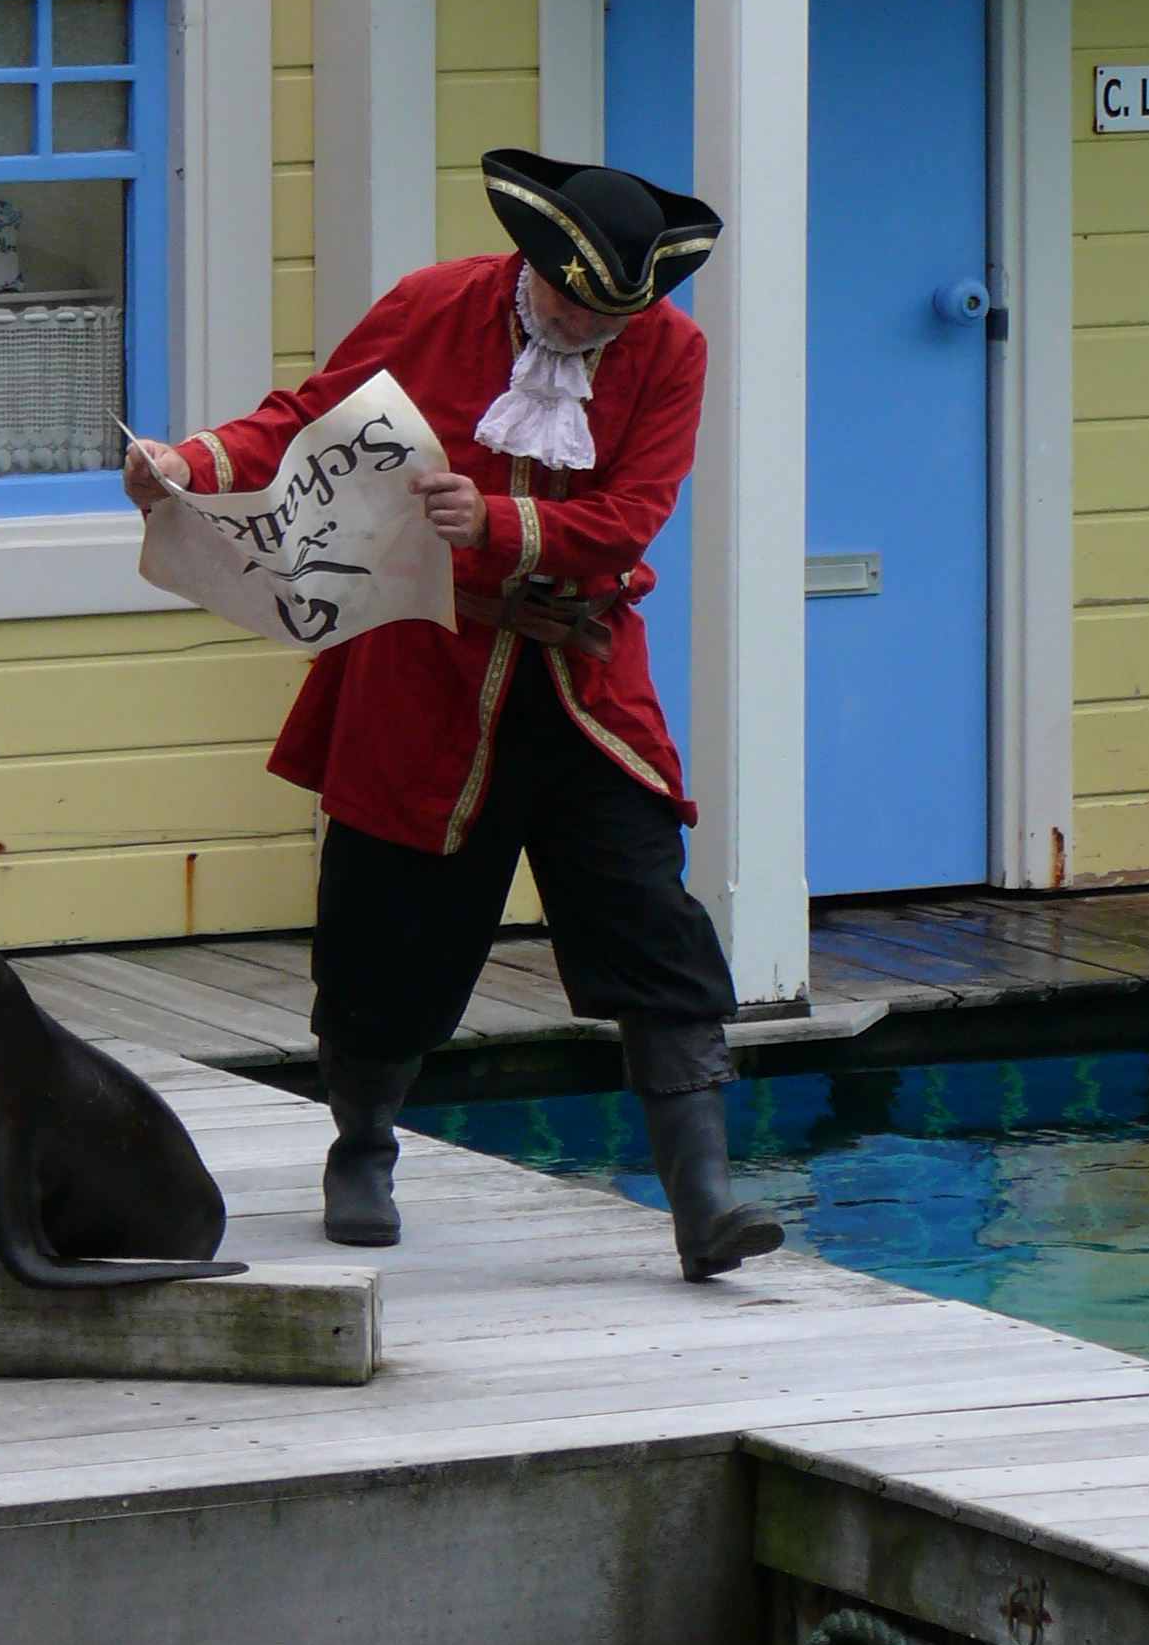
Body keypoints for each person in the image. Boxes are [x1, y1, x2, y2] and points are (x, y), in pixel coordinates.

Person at [126, 148, 784, 1281]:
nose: (591, 329)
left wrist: (495, 521)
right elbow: (306, 422)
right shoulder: (433, 304)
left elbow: (631, 517)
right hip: (422, 669)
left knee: (648, 916)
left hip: (582, 684)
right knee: (387, 931)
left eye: (614, 315)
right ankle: (361, 1150)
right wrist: (184, 464)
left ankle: (704, 1202)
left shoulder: (671, 350)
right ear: (534, 266)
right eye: (573, 305)